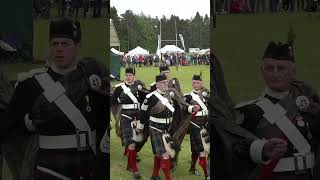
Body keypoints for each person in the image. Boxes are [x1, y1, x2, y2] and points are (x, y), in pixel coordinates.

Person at [4, 18, 109, 180]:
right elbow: (8, 129)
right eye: (55, 44)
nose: (59, 49)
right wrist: (29, 123)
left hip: (91, 167)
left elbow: (104, 126)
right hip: (49, 170)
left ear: (77, 46)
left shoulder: (92, 82)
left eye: (65, 44)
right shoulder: (30, 86)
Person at [216, 41, 320, 180]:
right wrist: (262, 149)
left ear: (293, 72)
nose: (275, 74)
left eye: (281, 68)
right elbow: (234, 147)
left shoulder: (309, 106)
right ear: (262, 71)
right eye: (269, 68)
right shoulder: (250, 111)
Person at [138, 74, 200, 180]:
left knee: (159, 154)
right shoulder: (150, 97)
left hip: (167, 129)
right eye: (163, 82)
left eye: (166, 82)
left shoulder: (170, 94)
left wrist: (191, 108)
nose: (165, 84)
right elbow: (143, 113)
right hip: (155, 128)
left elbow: (182, 104)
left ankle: (154, 175)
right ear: (157, 84)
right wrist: (141, 125)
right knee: (165, 154)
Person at [111, 67, 146, 179]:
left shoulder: (139, 87)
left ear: (134, 76)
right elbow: (111, 101)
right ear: (125, 76)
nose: (128, 77)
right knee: (131, 143)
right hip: (126, 117)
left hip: (137, 117)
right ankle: (135, 169)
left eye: (130, 75)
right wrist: (119, 100)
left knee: (137, 141)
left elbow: (146, 100)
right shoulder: (119, 88)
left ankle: (129, 165)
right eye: (127, 75)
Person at [185, 74, 210, 180]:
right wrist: (191, 108)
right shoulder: (188, 96)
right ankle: (207, 175)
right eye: (194, 82)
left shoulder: (207, 94)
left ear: (201, 83)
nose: (196, 85)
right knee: (200, 150)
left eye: (198, 83)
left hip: (207, 124)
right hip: (195, 125)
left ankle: (192, 168)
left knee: (198, 150)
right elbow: (183, 108)